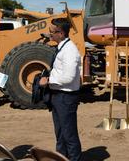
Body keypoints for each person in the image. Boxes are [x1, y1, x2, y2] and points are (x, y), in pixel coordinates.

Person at [39, 18, 82, 161]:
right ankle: (61, 158)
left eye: (52, 32)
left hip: (66, 97)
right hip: (58, 95)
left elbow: (69, 77)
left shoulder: (69, 51)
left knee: (69, 135)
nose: (49, 34)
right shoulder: (62, 47)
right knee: (61, 134)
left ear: (61, 33)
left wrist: (49, 80)